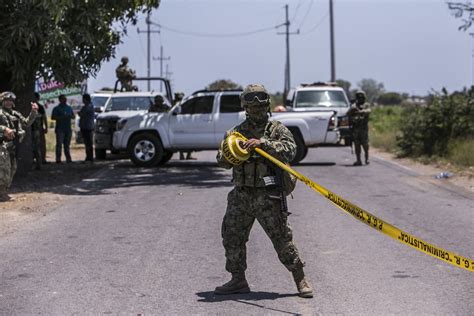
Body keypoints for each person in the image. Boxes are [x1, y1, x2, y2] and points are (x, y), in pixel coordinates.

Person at [215, 84, 313, 298]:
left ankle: (300, 278)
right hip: (241, 195)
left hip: (268, 196)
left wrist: (264, 144)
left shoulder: (277, 130)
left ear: (267, 105)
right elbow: (222, 162)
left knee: (282, 238)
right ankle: (237, 280)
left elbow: (291, 150)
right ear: (245, 108)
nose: (257, 110)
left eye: (260, 106)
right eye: (252, 106)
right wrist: (231, 152)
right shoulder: (235, 133)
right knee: (232, 236)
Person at [0, 91, 38, 201]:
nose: (9, 103)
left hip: (13, 146)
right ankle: (1, 193)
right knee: (4, 171)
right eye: (6, 100)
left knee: (12, 169)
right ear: (2, 101)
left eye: (11, 101)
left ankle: (3, 191)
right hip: (2, 145)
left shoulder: (15, 114)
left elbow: (26, 123)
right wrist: (4, 129)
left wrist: (33, 112)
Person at [347, 90, 371, 166]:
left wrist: (361, 111)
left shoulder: (366, 105)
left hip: (364, 129)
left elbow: (368, 111)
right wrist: (352, 109)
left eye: (361, 97)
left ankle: (366, 159)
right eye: (359, 97)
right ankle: (358, 160)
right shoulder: (354, 106)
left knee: (365, 145)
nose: (360, 99)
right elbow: (348, 113)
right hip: (356, 129)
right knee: (357, 145)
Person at [51, 94, 75, 163]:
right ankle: (58, 158)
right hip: (60, 129)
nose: (65, 100)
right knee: (59, 144)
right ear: (60, 100)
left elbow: (73, 116)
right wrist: (61, 117)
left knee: (67, 145)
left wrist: (70, 116)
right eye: (63, 99)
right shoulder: (56, 108)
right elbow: (53, 117)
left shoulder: (69, 108)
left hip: (68, 128)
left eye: (65, 99)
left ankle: (68, 158)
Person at [174, 92, 196, 160]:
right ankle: (183, 155)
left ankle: (186, 155)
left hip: (183, 121)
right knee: (183, 139)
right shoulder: (177, 104)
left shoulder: (182, 102)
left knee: (187, 139)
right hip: (180, 122)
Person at [31, 92, 48, 169]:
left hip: (38, 129)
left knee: (39, 146)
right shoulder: (29, 107)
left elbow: (44, 117)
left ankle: (40, 162)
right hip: (31, 130)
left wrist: (46, 127)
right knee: (32, 147)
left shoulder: (40, 107)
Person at [78, 93, 95, 162]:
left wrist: (80, 113)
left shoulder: (88, 106)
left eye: (83, 99)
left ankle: (90, 157)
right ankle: (88, 156)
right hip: (85, 126)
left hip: (87, 127)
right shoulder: (87, 106)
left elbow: (81, 113)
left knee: (88, 143)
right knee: (87, 143)